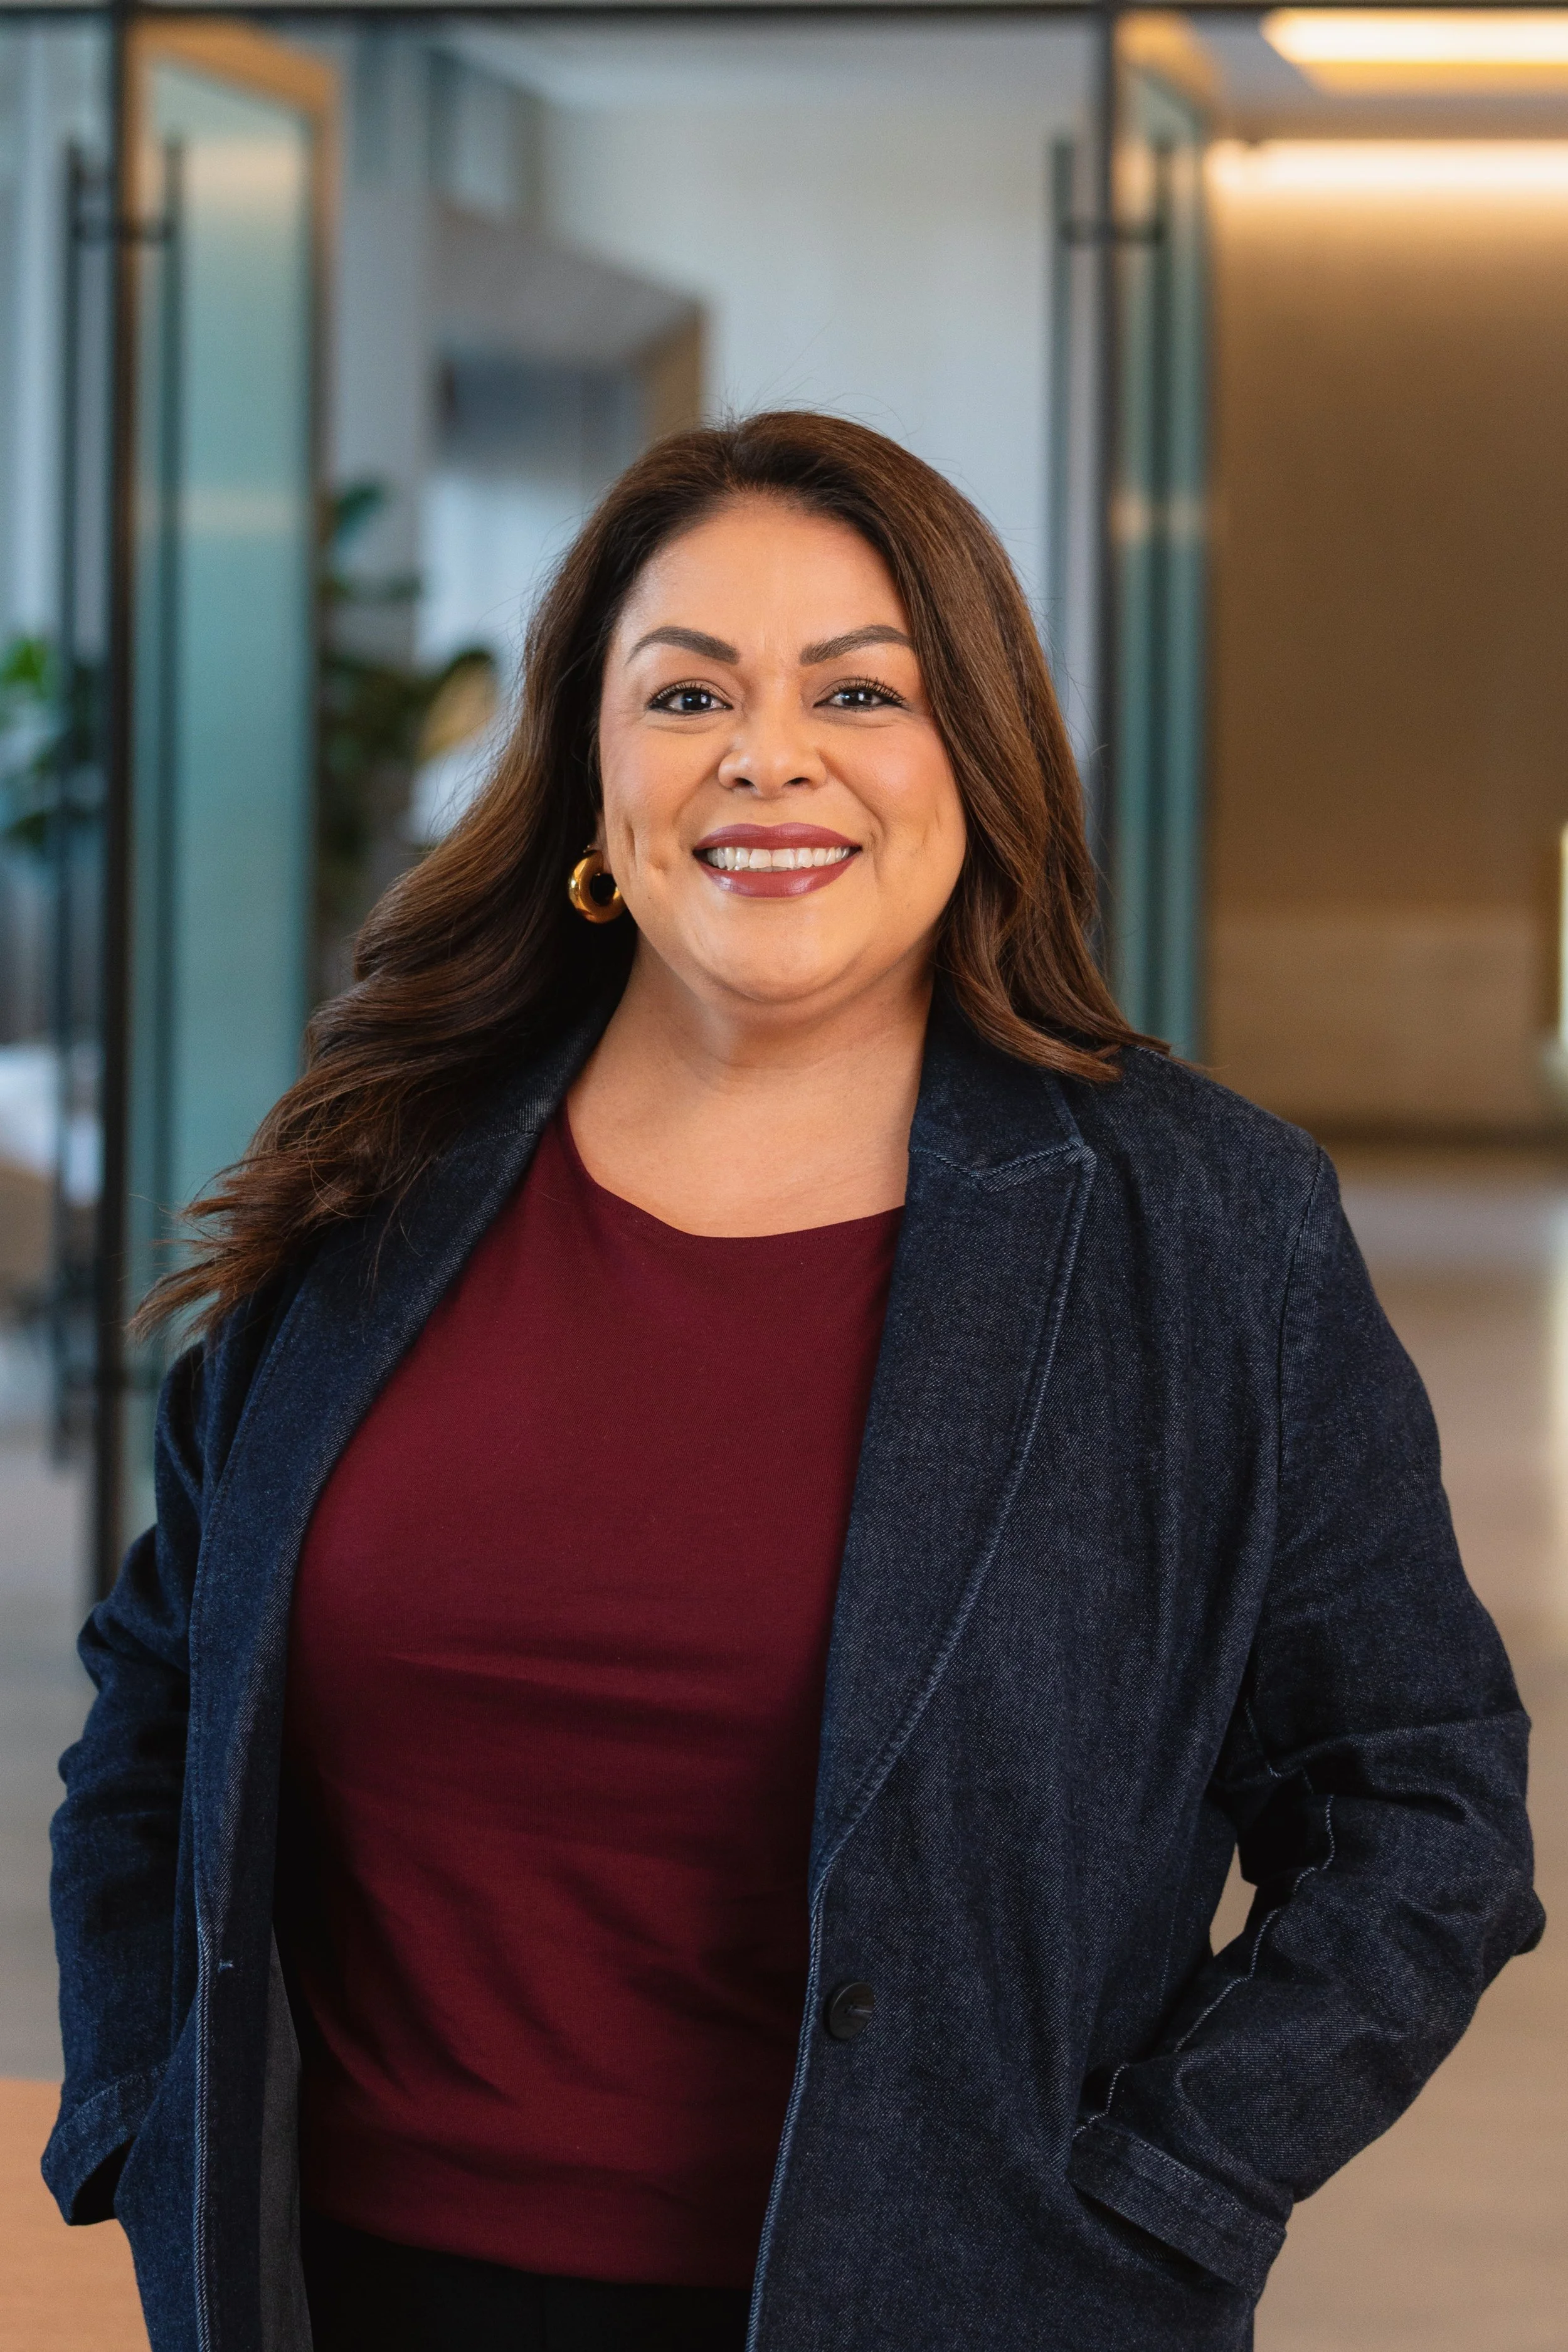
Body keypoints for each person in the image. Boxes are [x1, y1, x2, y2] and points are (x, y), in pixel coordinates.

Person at [48, 411, 1541, 2352]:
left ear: (974, 762)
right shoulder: (380, 1177)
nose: (770, 755)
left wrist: (1162, 2195)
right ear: (593, 776)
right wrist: (141, 2109)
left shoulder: (1194, 1223)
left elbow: (1418, 1801)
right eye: (687, 693)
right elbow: (162, 1698)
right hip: (332, 2288)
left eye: (862, 688)